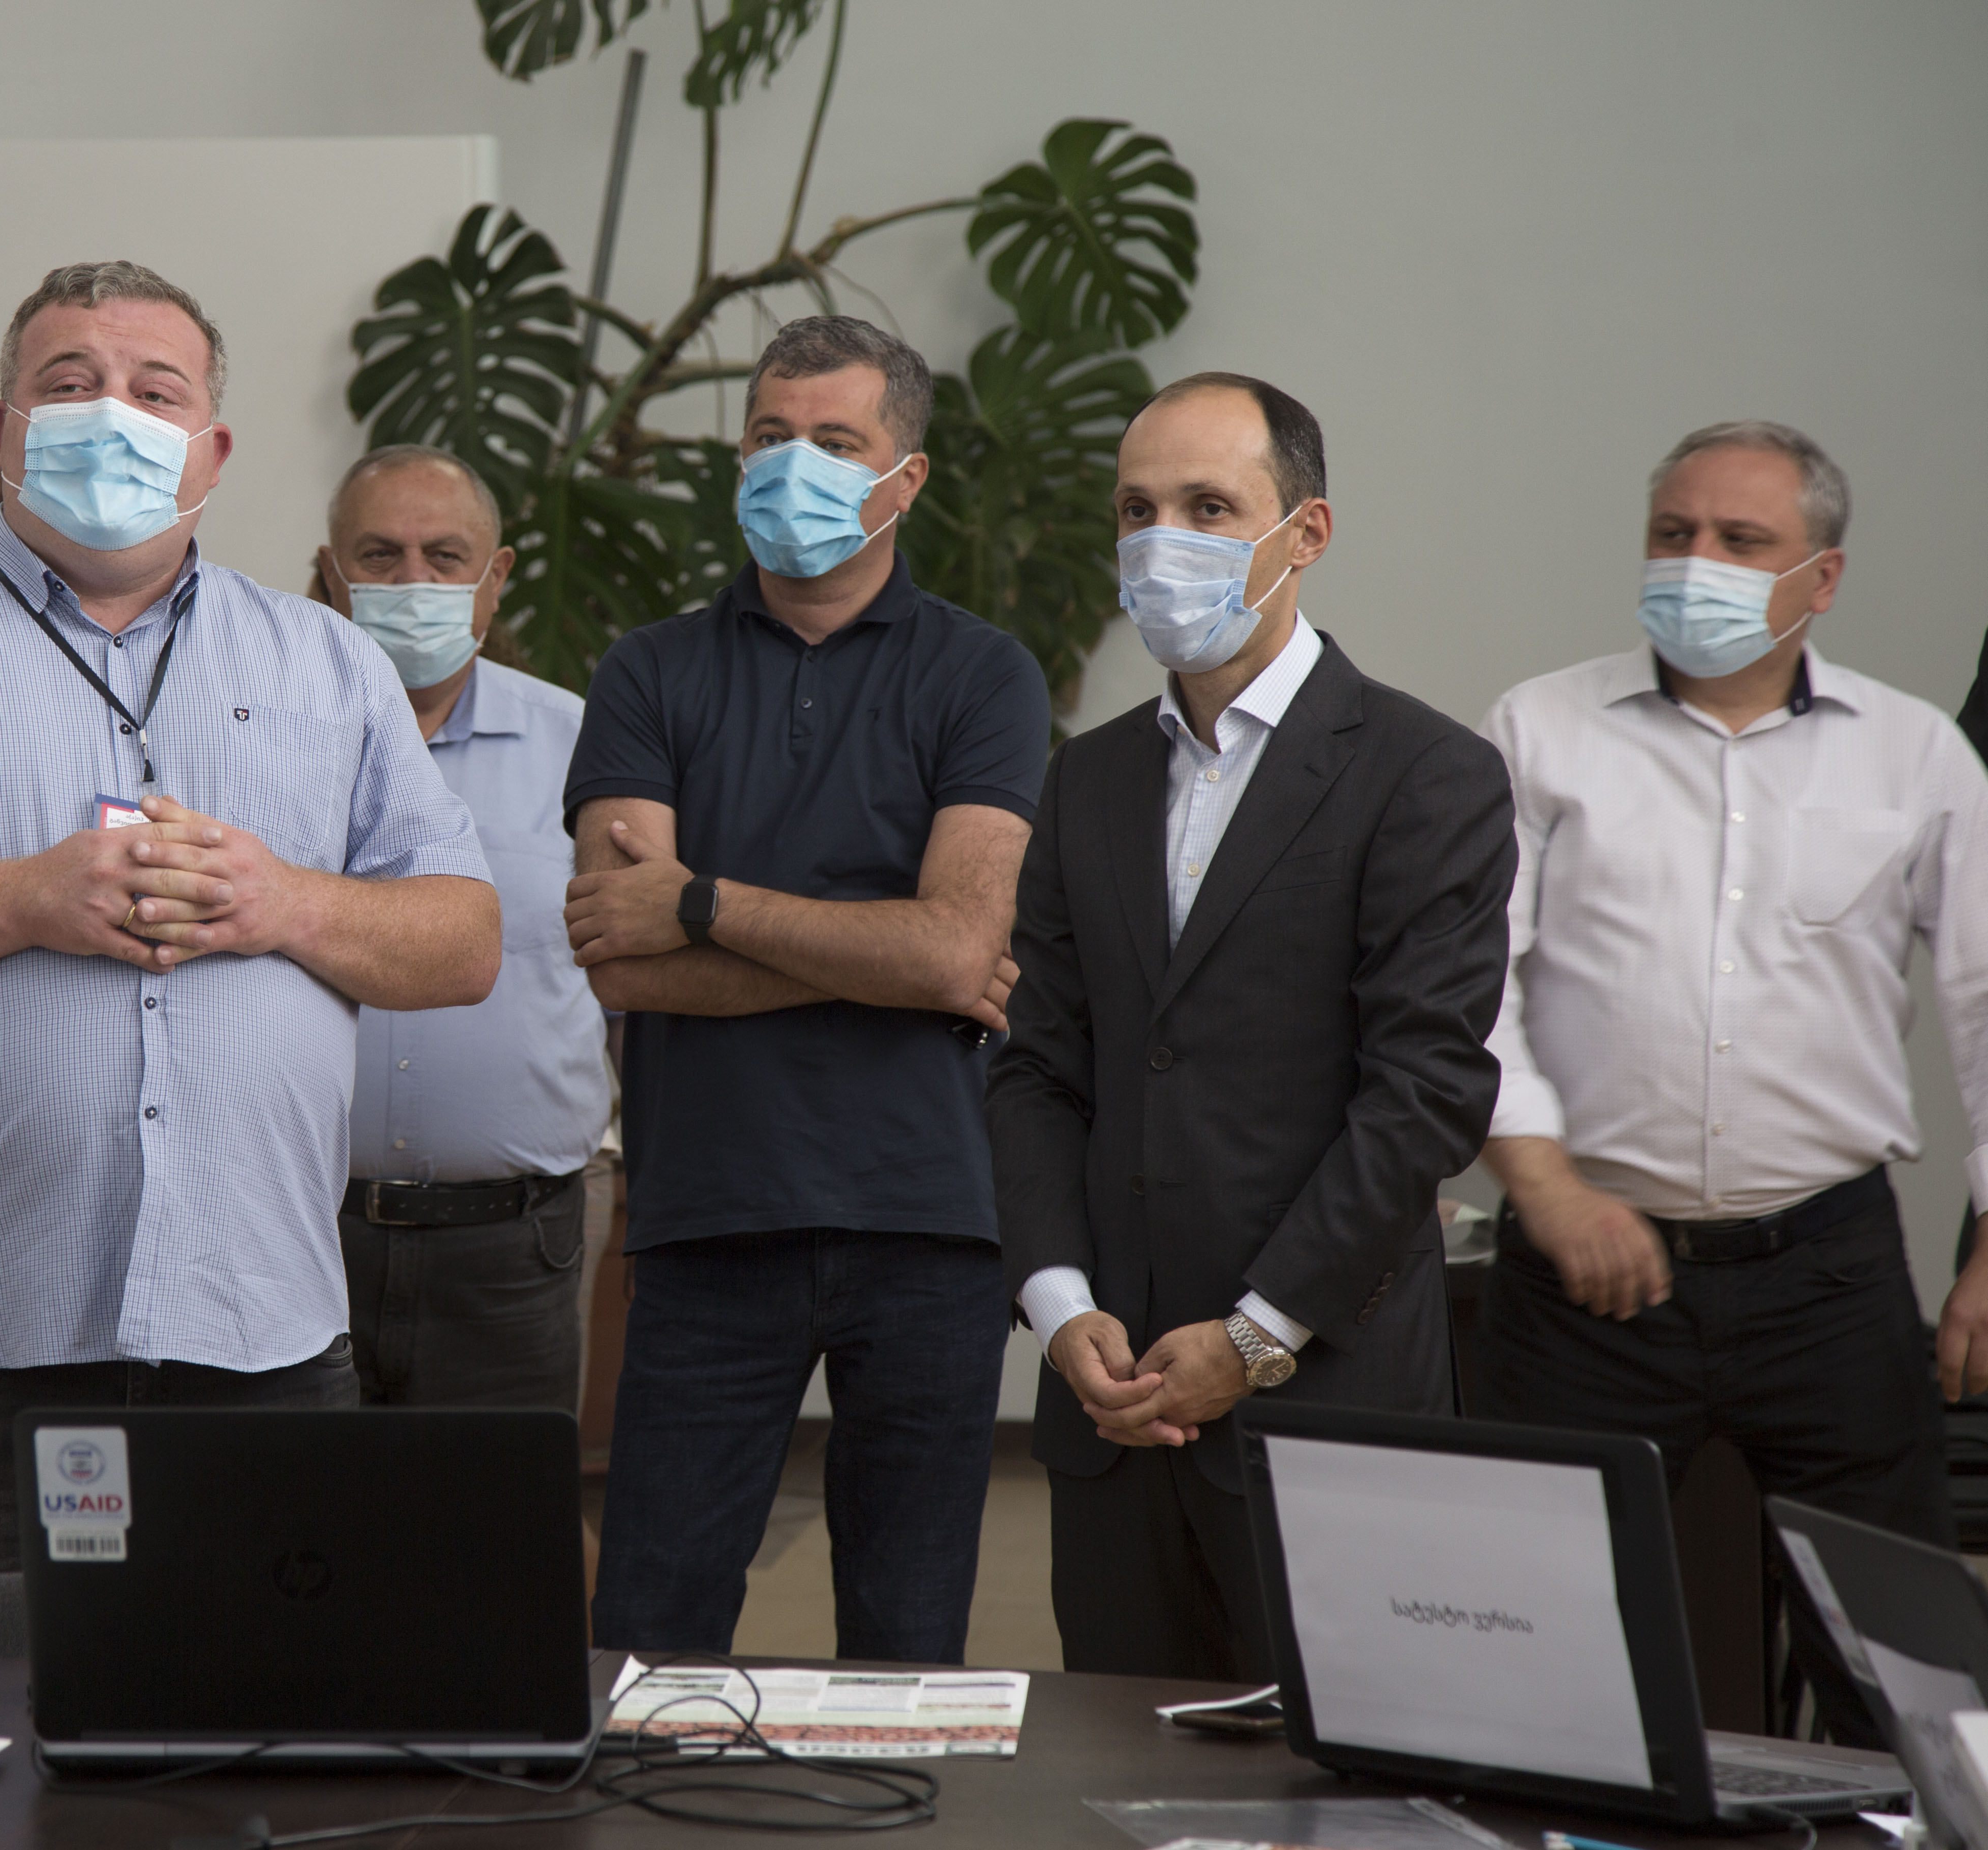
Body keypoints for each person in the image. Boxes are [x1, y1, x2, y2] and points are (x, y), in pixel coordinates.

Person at [0, 262, 498, 1598]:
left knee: (255, 1711)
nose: (110, 411)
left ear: (213, 449)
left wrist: (285, 899)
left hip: (258, 1337)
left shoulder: (329, 662)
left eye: (153, 390)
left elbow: (461, 941)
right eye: (68, 384)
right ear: (3, 430)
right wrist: (20, 898)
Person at [989, 372, 1517, 1680]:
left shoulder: (1423, 773)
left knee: (1335, 1764)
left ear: (1305, 533)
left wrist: (1254, 1336)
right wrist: (1058, 1306)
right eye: (1136, 510)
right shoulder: (1084, 777)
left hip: (1325, 1399)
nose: (1160, 541)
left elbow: (1423, 1094)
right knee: (1109, 1759)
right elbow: (1037, 1067)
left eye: (1207, 508)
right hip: (1109, 1406)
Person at [1474, 419, 1988, 1746]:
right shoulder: (1538, 730)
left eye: (1739, 540)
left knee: (1900, 1670)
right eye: (1672, 533)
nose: (1693, 561)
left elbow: (1985, 1003)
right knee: (1528, 1645)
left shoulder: (1915, 754)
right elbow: (1470, 987)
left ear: (1821, 577)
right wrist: (1543, 1185)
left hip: (1825, 1275)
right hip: (1581, 1280)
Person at [565, 315, 1048, 1663]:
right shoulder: (649, 670)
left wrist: (705, 904)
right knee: (650, 1640)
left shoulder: (983, 675)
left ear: (906, 476)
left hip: (925, 1226)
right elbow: (622, 958)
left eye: (836, 442)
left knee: (907, 1644)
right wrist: (888, 961)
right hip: (707, 1219)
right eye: (770, 437)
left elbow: (955, 951)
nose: (795, 467)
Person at [314, 445, 610, 1410]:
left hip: (517, 1243)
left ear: (496, 577)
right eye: (380, 555)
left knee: (500, 1504)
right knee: (299, 1504)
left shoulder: (583, 747)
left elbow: (633, 981)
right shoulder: (260, 746)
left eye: (445, 556)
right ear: (331, 574)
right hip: (300, 1232)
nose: (414, 582)